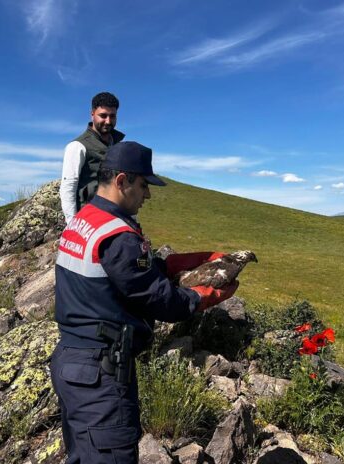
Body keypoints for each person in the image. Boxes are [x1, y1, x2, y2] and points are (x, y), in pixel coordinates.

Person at [51, 141, 239, 463]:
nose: (147, 196)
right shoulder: (118, 235)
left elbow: (128, 275)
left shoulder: (85, 219)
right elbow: (160, 300)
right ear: (122, 180)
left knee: (83, 455)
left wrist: (185, 262)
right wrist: (205, 295)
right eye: (143, 186)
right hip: (101, 374)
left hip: (71, 363)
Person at [60, 92, 125, 224]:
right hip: (89, 220)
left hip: (115, 217)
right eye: (103, 116)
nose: (108, 121)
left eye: (112, 116)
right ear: (92, 114)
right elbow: (68, 187)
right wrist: (72, 225)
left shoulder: (117, 145)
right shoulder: (77, 146)